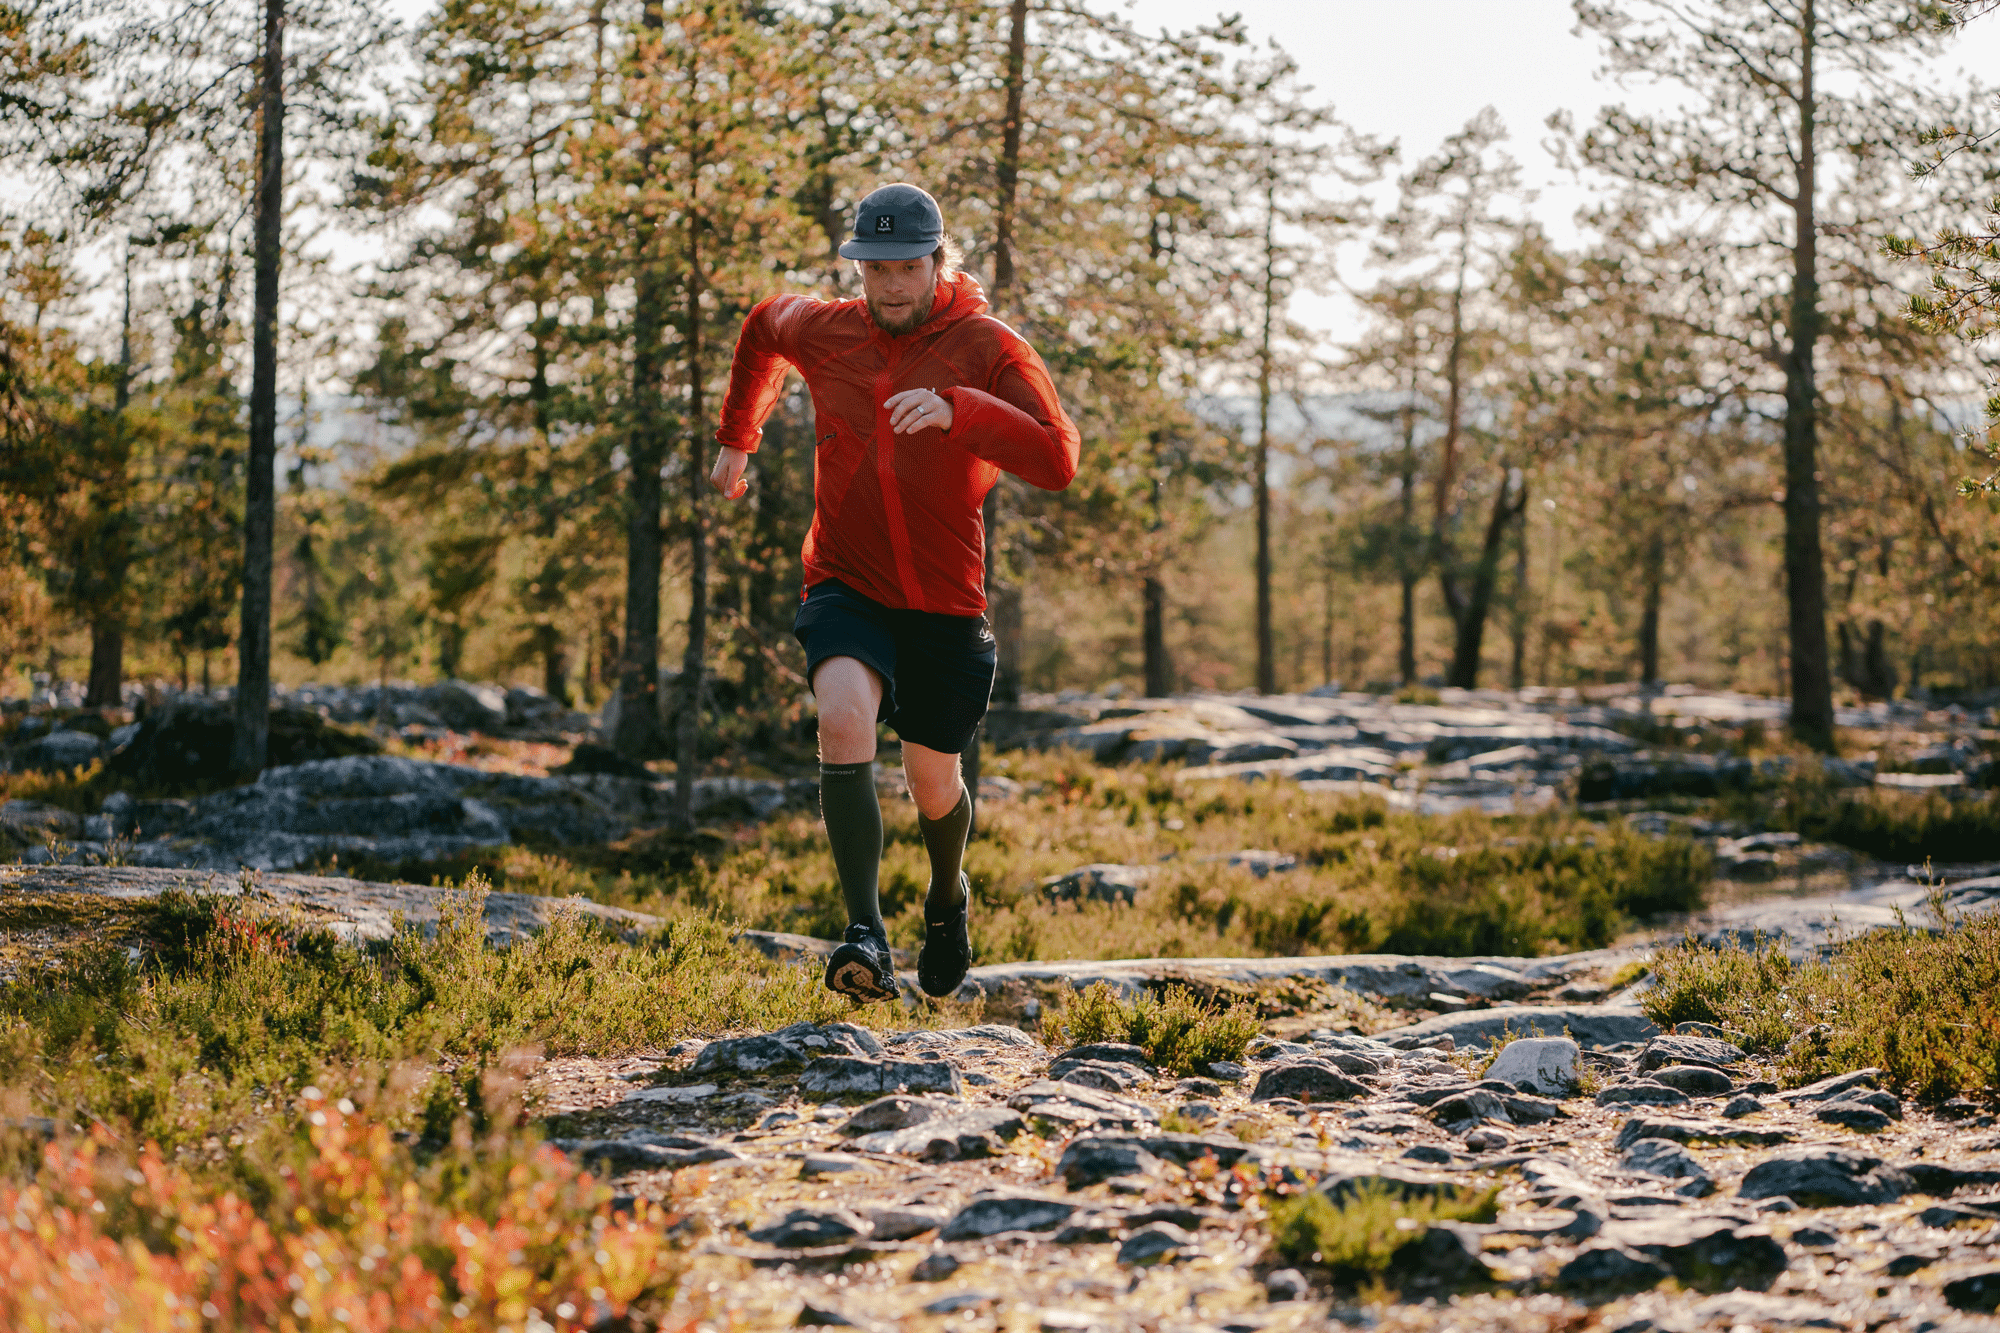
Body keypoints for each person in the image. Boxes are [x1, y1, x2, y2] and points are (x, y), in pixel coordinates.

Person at [709, 182, 1079, 1002]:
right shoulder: (829, 329)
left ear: (938, 260)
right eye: (876, 268)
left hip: (946, 604)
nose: (892, 286)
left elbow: (1057, 459)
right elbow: (763, 327)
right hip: (847, 580)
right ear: (857, 267)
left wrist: (960, 411)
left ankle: (946, 901)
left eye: (908, 266)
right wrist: (739, 437)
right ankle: (864, 936)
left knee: (932, 781)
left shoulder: (987, 345)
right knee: (842, 716)